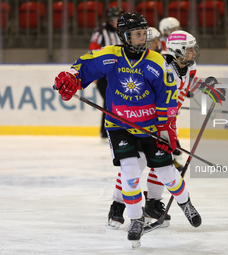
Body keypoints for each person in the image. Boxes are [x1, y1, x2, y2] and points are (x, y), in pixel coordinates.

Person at [54, 12, 201, 247]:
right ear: (124, 36)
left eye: (144, 33)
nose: (142, 38)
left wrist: (167, 132)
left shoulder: (156, 62)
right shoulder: (111, 56)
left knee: (167, 172)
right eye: (136, 34)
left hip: (150, 127)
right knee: (131, 174)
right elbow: (85, 64)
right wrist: (72, 76)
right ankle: (135, 220)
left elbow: (166, 99)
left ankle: (185, 203)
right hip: (119, 126)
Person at [108, 30, 201, 230]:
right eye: (190, 49)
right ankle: (117, 206)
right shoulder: (162, 66)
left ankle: (152, 204)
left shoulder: (190, 67)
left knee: (162, 165)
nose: (194, 53)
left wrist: (207, 88)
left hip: (167, 122)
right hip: (147, 123)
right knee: (135, 165)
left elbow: (189, 84)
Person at [89, 6, 123, 138]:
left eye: (118, 18)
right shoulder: (100, 31)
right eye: (114, 19)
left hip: (119, 73)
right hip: (103, 73)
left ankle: (108, 130)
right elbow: (93, 51)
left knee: (113, 101)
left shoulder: (123, 31)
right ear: (109, 20)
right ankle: (107, 130)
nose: (116, 21)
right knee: (109, 101)